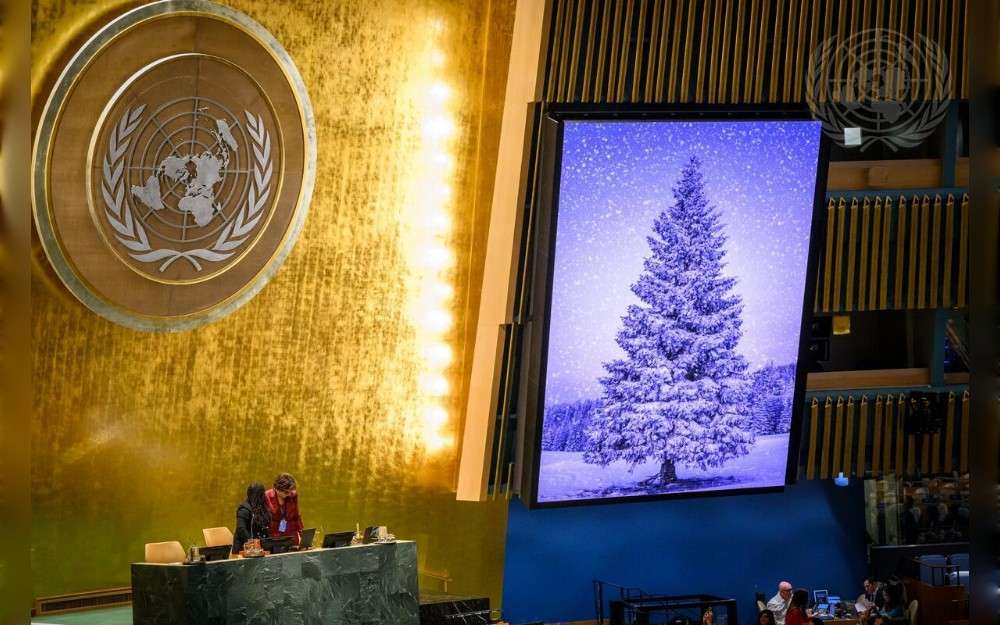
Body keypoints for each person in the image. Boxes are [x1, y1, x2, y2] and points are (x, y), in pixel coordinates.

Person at [265, 472, 304, 545]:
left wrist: (302, 535)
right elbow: (263, 521)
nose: (289, 494)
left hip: (291, 536)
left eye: (291, 491)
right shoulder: (267, 496)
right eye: (286, 492)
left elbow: (296, 516)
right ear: (276, 489)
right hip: (274, 538)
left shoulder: (292, 495)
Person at [232, 482, 270, 553]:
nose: (264, 496)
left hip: (259, 550)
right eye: (262, 494)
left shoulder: (262, 508)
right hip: (243, 549)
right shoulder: (244, 510)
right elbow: (241, 529)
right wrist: (253, 543)